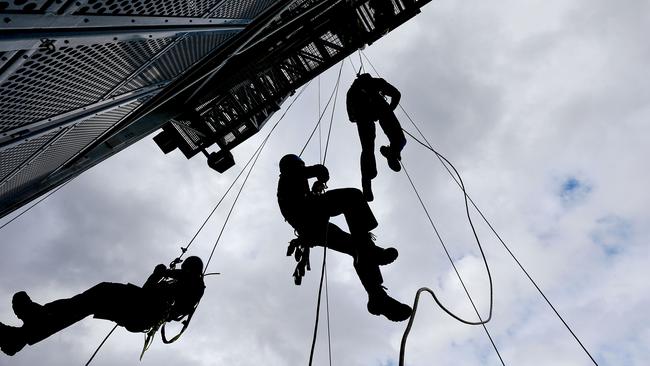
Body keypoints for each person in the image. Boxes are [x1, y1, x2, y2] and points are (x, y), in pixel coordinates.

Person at [277, 154, 412, 322]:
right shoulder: (290, 177)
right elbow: (320, 170)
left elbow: (302, 195)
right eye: (300, 165)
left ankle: (377, 296)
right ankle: (372, 252)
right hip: (310, 218)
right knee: (353, 197)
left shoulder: (290, 187)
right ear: (293, 166)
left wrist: (315, 190)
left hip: (312, 228)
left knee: (357, 248)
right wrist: (320, 178)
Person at [0, 256, 206, 356]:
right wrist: (156, 274)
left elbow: (190, 281)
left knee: (96, 296)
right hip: (139, 309)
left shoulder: (196, 285)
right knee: (89, 301)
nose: (183, 268)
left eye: (187, 266)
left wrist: (166, 272)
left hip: (142, 312)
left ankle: (32, 323)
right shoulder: (176, 283)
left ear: (193, 268)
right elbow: (147, 290)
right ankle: (27, 329)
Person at [346, 73, 407, 201]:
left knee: (368, 148)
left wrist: (364, 114)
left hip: (367, 115)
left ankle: (367, 180)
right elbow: (396, 94)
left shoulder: (352, 91)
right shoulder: (375, 83)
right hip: (377, 111)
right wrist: (389, 109)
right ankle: (392, 153)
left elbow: (351, 117)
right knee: (398, 139)